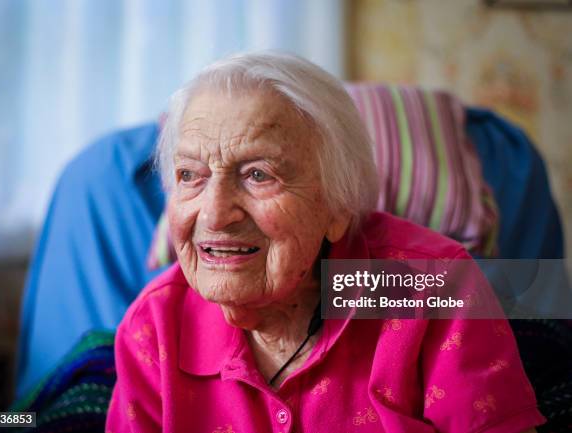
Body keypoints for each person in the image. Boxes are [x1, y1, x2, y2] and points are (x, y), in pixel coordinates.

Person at [106, 52, 544, 432]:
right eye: (190, 176)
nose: (216, 214)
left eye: (258, 174)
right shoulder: (154, 328)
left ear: (337, 205)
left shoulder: (431, 290)